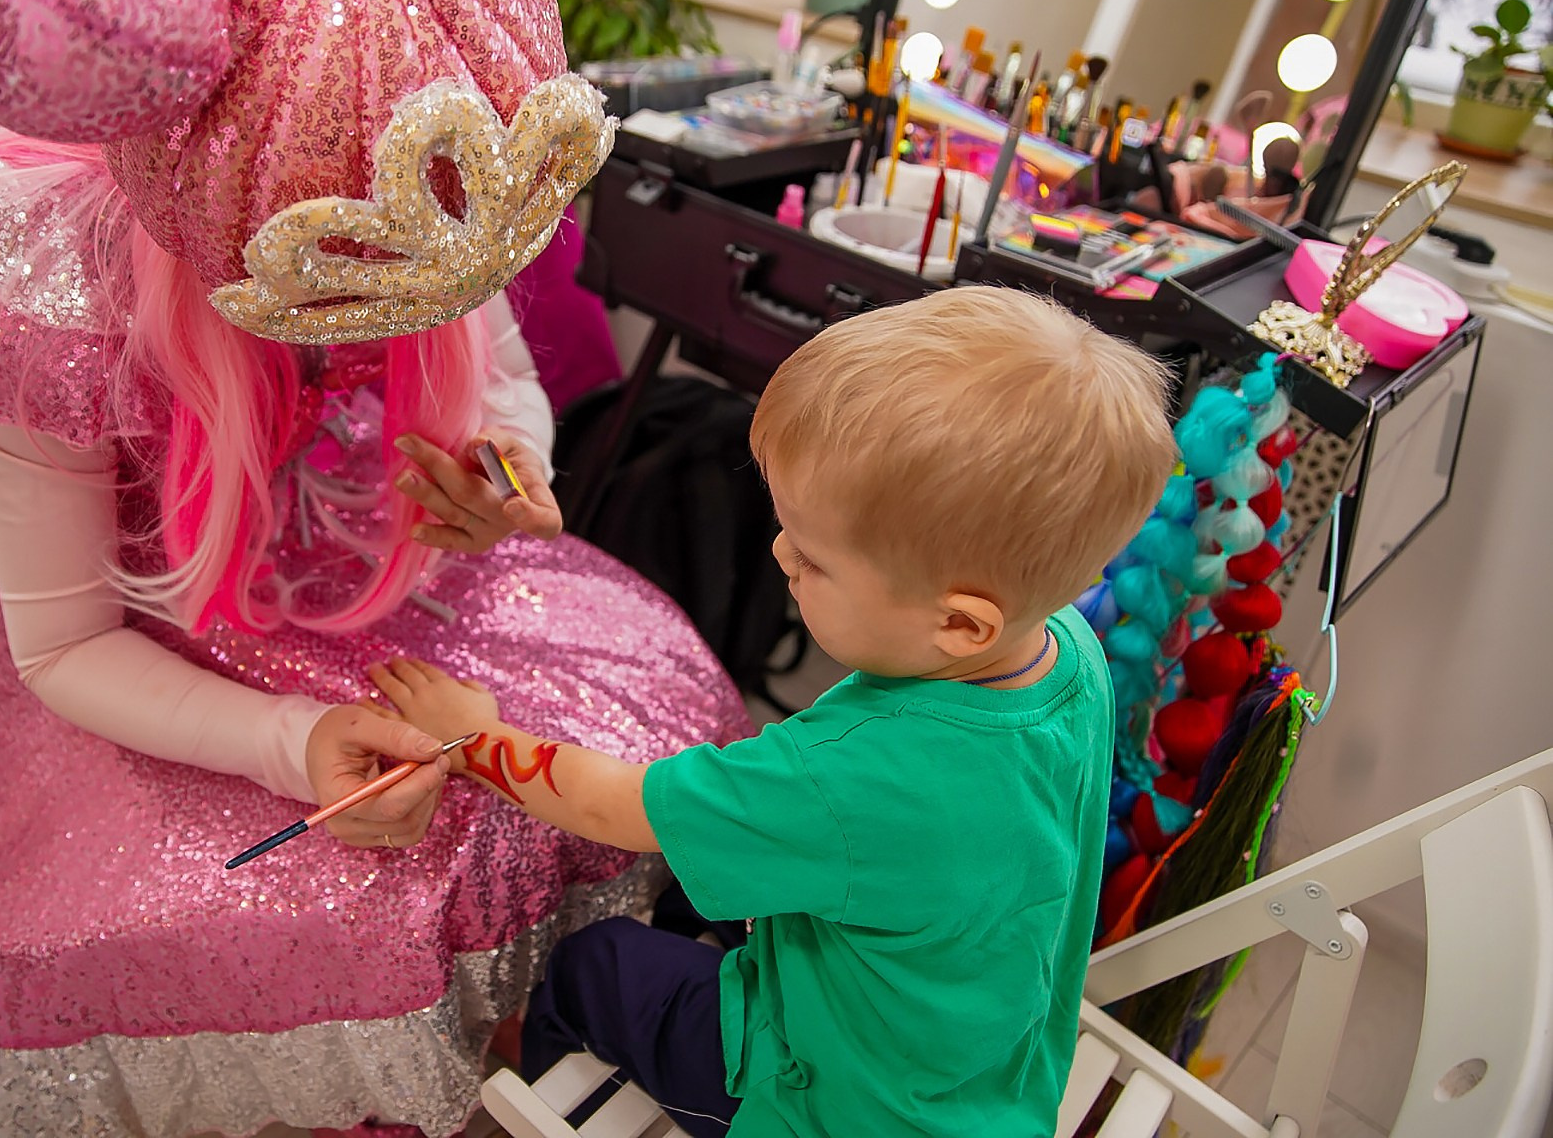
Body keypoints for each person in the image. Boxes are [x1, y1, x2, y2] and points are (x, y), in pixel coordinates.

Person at [0, 0, 746, 1136]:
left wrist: (511, 470)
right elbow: (62, 640)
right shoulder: (49, 283)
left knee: (635, 740)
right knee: (316, 908)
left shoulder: (416, 114)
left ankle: (502, 1048)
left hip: (396, 585)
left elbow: (494, 368)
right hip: (145, 640)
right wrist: (294, 748)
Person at [371, 288, 1177, 1136]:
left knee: (593, 963)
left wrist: (476, 735)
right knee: (692, 892)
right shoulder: (1067, 651)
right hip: (979, 1055)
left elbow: (619, 806)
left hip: (838, 1103)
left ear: (957, 622)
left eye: (815, 557)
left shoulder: (848, 774)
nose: (778, 553)